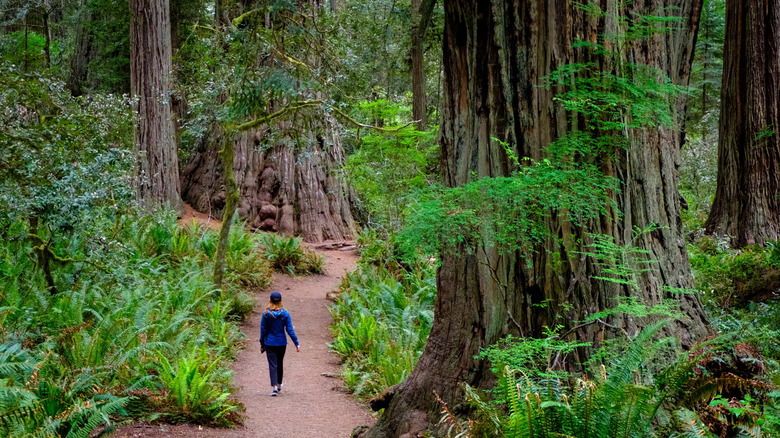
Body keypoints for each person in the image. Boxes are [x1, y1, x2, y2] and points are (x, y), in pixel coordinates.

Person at [259, 291, 300, 396]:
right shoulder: (285, 314)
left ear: (270, 300)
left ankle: (274, 387)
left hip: (270, 342)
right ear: (281, 300)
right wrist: (296, 343)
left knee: (273, 364)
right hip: (281, 342)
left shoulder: (266, 314)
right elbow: (289, 330)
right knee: (280, 362)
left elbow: (263, 330)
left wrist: (262, 344)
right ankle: (279, 383)